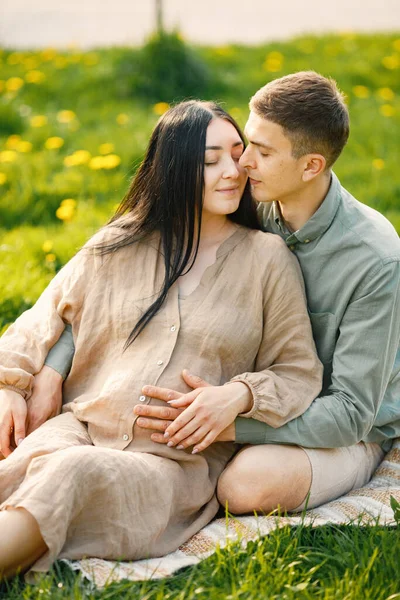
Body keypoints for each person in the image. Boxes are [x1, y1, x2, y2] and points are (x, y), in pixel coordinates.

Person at [43, 71, 399, 515]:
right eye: (246, 143)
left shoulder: (375, 261)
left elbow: (350, 412)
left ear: (311, 166)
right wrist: (54, 368)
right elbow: (113, 285)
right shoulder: (249, 202)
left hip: (342, 427)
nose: (242, 163)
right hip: (226, 406)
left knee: (245, 487)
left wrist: (232, 421)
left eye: (262, 152)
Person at [0, 100, 322, 578]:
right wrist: (10, 384)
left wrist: (238, 396)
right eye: (210, 161)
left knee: (70, 474)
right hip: (81, 425)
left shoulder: (266, 258)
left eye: (237, 155)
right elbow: (42, 316)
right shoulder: (120, 242)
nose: (233, 171)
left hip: (171, 466)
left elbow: (298, 371)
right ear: (173, 169)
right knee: (26, 468)